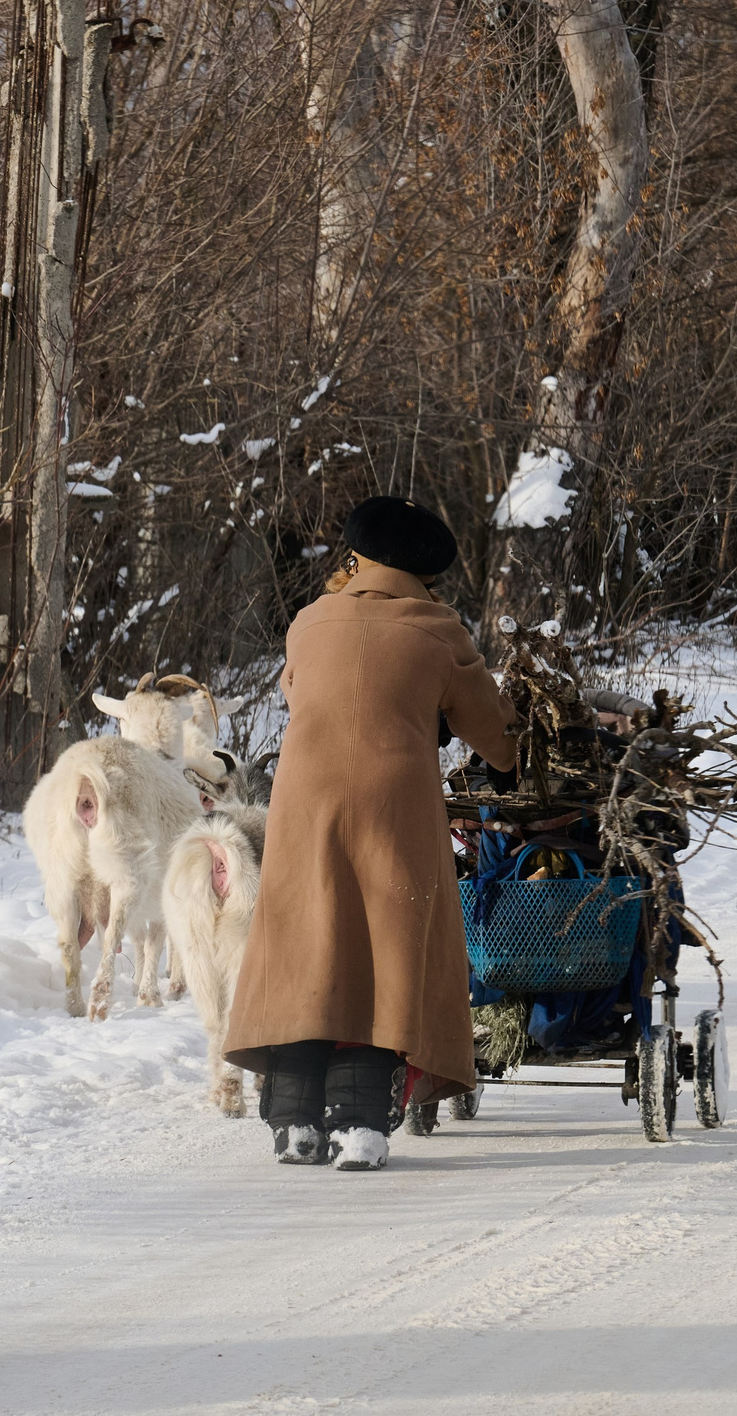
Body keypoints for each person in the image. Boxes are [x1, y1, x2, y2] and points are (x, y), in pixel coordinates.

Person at [221, 496, 520, 1170]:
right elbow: (496, 735)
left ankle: (294, 1124)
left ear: (356, 559)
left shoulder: (310, 622)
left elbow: (303, 694)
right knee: (384, 954)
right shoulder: (437, 630)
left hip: (306, 807)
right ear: (426, 573)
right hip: (394, 810)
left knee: (308, 951)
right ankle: (360, 1128)